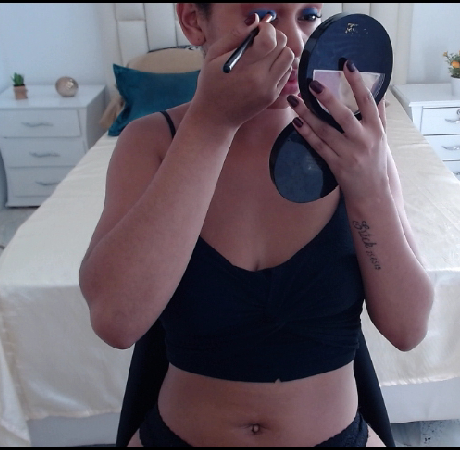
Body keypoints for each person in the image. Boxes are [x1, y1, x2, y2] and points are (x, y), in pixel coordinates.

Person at [79, 3, 434, 447]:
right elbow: (115, 321)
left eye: (308, 15)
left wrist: (369, 190)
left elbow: (408, 328)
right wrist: (211, 123)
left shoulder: (355, 146)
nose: (296, 42)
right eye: (261, 15)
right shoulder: (150, 141)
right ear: (193, 20)